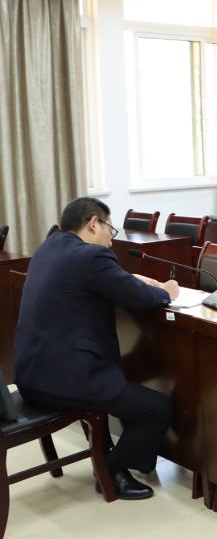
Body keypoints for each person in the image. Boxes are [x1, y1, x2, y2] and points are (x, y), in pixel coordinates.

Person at [15, 197, 180, 500]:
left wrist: (129, 279)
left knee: (129, 389)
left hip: (30, 377)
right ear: (93, 223)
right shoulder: (92, 256)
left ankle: (138, 459)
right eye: (109, 230)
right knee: (156, 408)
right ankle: (111, 470)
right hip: (68, 380)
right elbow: (140, 298)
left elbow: (91, 281)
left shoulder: (48, 248)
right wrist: (167, 293)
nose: (110, 240)